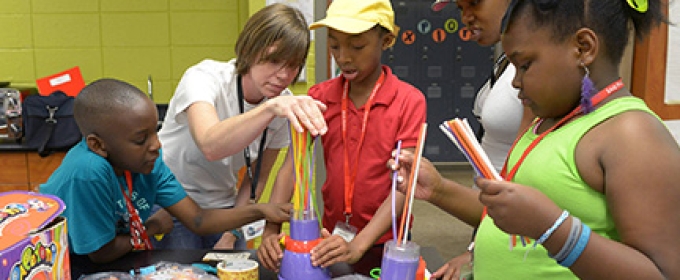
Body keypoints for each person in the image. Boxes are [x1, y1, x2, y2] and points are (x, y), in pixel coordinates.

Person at [392, 0, 680, 279]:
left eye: (525, 65)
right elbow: (510, 216)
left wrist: (553, 228)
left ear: (584, 48)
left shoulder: (631, 134)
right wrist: (440, 190)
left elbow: (662, 273)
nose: (515, 82)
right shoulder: (544, 124)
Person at [39, 78, 293, 264]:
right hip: (62, 264)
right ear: (98, 145)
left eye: (155, 131)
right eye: (141, 140)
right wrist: (150, 227)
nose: (156, 145)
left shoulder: (147, 162)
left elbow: (198, 219)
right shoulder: (88, 170)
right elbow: (100, 252)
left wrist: (260, 210)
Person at [258, 0, 427, 274]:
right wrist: (271, 229)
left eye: (357, 46)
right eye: (334, 45)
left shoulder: (408, 101)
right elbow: (293, 166)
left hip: (386, 241)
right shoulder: (319, 98)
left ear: (386, 41)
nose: (344, 57)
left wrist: (359, 243)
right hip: (330, 241)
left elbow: (404, 185)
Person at [156, 3, 327, 250]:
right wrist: (269, 109)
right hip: (172, 202)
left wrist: (232, 233)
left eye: (293, 65)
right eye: (274, 60)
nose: (283, 74)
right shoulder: (204, 77)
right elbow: (210, 144)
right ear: (249, 49)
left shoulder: (281, 103)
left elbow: (257, 177)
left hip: (223, 205)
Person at [428, 0, 537, 278]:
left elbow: (528, 182)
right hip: (493, 215)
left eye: (474, 4)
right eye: (460, 9)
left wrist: (476, 250)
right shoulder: (505, 62)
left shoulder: (539, 75)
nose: (466, 18)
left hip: (513, 231)